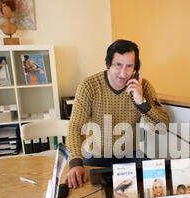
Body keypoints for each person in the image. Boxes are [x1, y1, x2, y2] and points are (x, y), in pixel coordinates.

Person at [66, 39, 169, 189]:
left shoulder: (143, 86)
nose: (123, 73)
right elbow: (75, 126)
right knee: (87, 192)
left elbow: (163, 127)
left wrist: (141, 102)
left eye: (129, 66)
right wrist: (75, 162)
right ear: (108, 63)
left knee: (153, 187)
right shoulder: (89, 86)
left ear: (136, 67)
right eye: (118, 65)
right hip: (96, 156)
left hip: (131, 155)